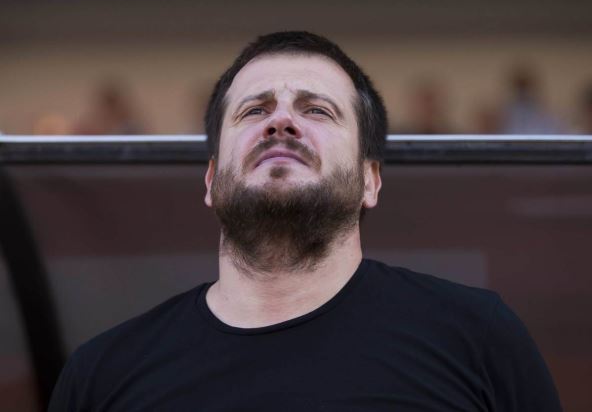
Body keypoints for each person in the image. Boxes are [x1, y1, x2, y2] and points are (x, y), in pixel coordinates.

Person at [49, 31, 562, 411]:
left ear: (370, 180)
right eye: (254, 111)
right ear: (210, 179)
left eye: (317, 110)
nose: (281, 120)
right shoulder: (103, 374)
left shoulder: (477, 339)